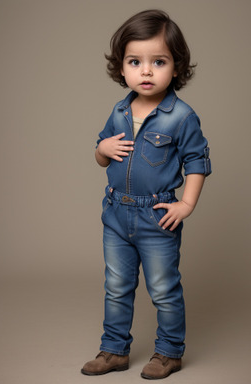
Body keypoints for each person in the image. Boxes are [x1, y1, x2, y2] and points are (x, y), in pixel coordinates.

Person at [81, 9, 211, 380]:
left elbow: (197, 162)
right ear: (122, 68)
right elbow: (100, 157)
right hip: (116, 215)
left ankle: (169, 353)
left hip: (156, 216)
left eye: (159, 61)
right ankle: (113, 350)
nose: (147, 71)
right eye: (135, 61)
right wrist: (102, 148)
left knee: (163, 288)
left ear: (177, 67)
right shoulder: (120, 110)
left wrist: (186, 203)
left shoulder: (181, 117)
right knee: (117, 285)